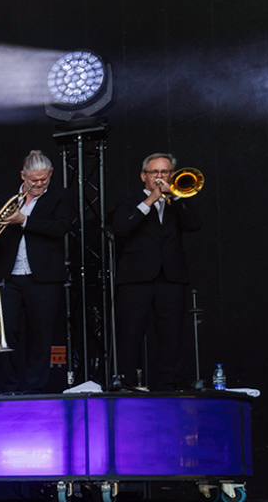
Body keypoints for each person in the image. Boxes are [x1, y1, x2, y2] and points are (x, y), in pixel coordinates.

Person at [0, 151, 76, 393]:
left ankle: (35, 387)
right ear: (23, 175)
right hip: (9, 275)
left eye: (44, 179)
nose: (39, 184)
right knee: (6, 330)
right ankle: (10, 385)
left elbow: (61, 227)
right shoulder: (4, 199)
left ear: (51, 174)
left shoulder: (60, 197)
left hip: (43, 276)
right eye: (34, 180)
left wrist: (24, 220)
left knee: (41, 333)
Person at [110, 153, 201, 390]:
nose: (160, 177)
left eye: (165, 172)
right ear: (144, 176)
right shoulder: (129, 201)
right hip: (136, 277)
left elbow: (194, 224)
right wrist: (150, 200)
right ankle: (127, 384)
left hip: (170, 277)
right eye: (154, 173)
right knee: (131, 333)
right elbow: (121, 227)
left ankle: (167, 385)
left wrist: (176, 197)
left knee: (171, 334)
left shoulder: (177, 201)